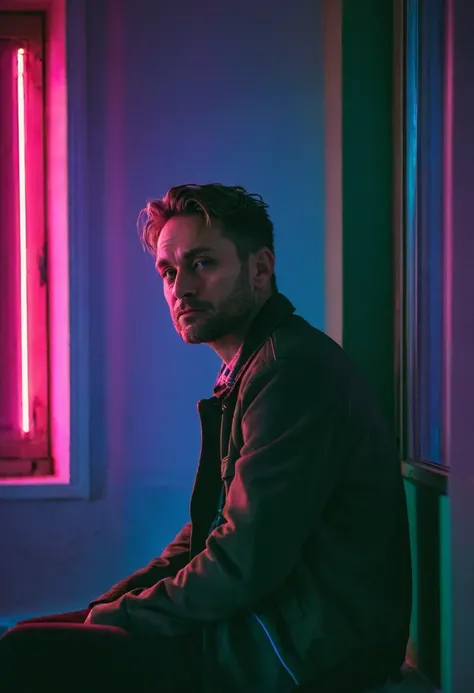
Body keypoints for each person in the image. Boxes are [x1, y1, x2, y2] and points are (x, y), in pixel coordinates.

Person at [0, 184, 411, 693]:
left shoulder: (290, 372)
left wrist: (125, 616)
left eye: (202, 264)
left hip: (305, 647)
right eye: (169, 272)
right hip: (275, 625)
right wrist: (108, 606)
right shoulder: (253, 369)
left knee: (23, 654)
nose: (181, 288)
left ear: (259, 269)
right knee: (29, 635)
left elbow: (242, 559)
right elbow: (207, 535)